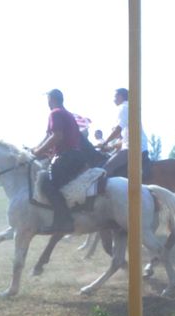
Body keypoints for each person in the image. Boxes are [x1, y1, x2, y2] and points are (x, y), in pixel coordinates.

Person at [31, 89, 87, 233]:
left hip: (66, 157)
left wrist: (38, 151)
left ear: (52, 99)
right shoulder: (67, 114)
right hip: (76, 155)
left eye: (48, 100)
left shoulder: (55, 113)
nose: (47, 103)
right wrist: (35, 149)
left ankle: (63, 221)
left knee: (46, 185)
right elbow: (48, 137)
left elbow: (57, 136)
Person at [98, 88, 150, 179]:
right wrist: (110, 147)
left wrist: (104, 143)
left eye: (115, 96)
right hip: (138, 146)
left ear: (121, 96)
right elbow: (123, 138)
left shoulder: (123, 108)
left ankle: (104, 193)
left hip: (132, 148)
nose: (113, 99)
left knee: (106, 168)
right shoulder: (130, 107)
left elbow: (117, 130)